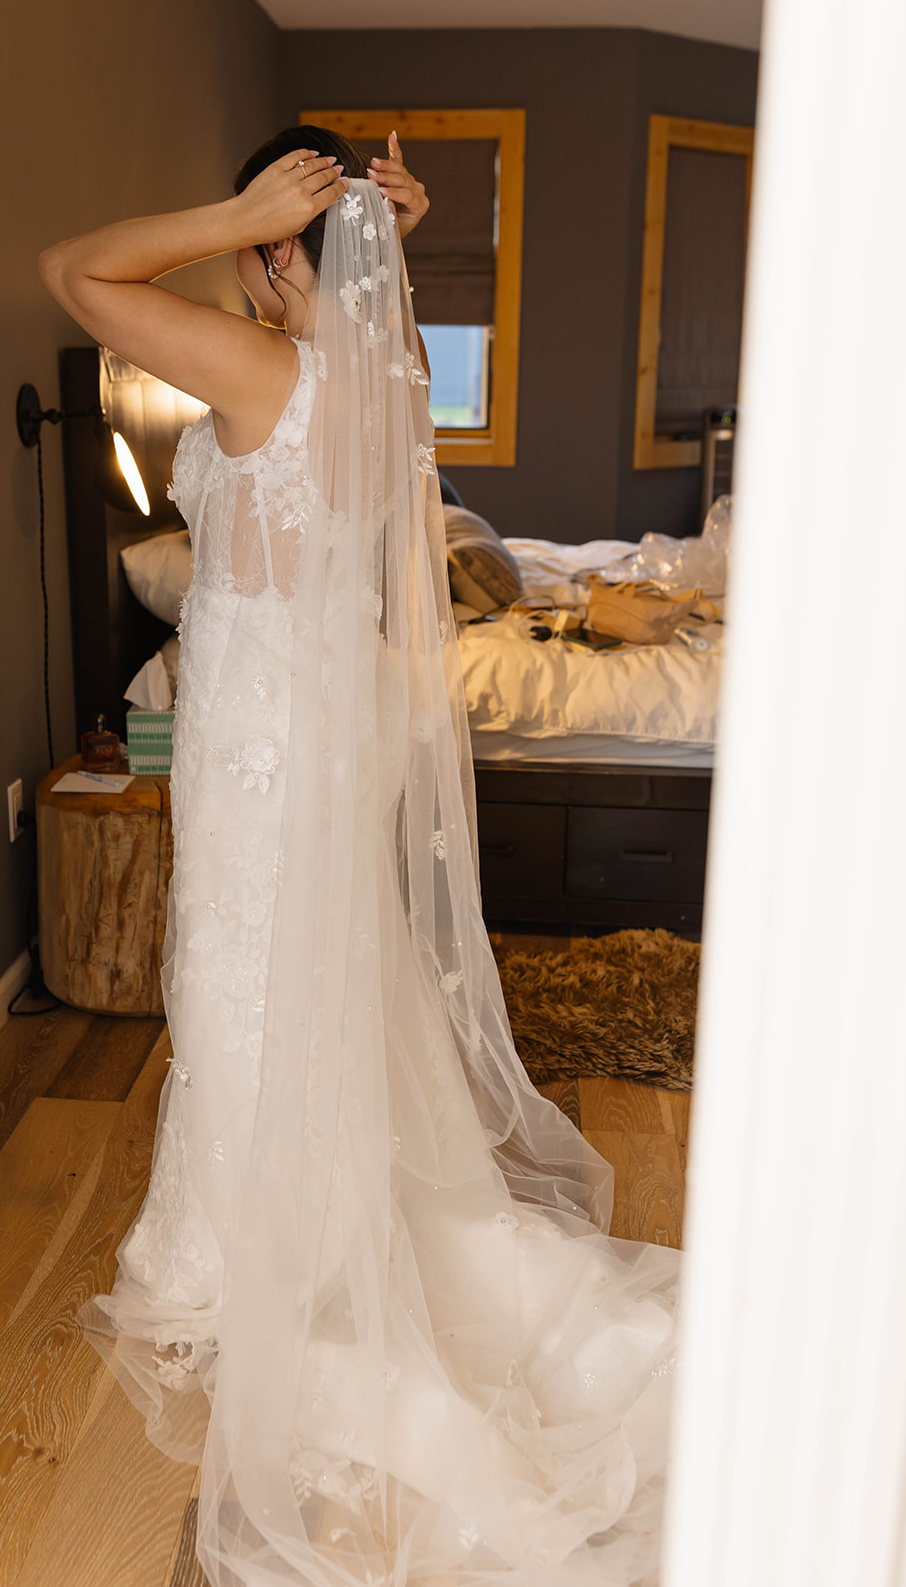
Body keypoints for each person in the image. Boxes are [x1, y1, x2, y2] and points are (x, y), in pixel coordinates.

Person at [40, 126, 681, 1587]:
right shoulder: (391, 374)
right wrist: (358, 246)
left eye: (258, 241)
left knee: (242, 981)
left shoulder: (255, 365)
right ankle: (300, 1223)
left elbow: (72, 272)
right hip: (329, 730)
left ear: (279, 242)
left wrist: (233, 216)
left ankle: (257, 1256)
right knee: (312, 978)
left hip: (263, 739)